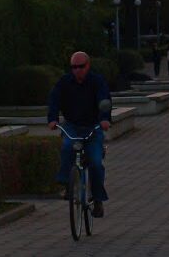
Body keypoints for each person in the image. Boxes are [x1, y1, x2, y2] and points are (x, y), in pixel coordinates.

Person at [47, 52, 112, 218]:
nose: (77, 70)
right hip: (72, 126)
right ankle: (66, 183)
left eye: (81, 67)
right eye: (74, 67)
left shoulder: (96, 82)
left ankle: (97, 200)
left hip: (93, 127)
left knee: (96, 163)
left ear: (88, 66)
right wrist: (53, 119)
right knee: (67, 147)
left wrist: (104, 119)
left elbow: (104, 99)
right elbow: (54, 99)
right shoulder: (65, 82)